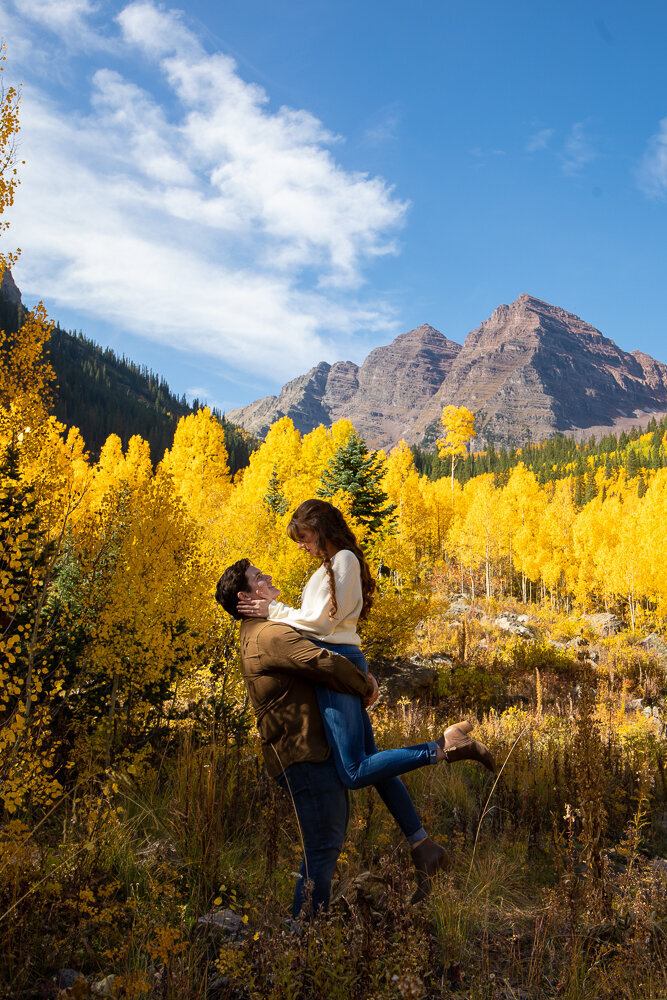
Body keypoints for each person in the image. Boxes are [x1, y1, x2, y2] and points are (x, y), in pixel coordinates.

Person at [215, 558, 450, 916]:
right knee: (323, 847)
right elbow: (324, 662)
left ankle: (307, 935)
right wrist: (366, 685)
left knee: (325, 844)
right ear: (247, 597)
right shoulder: (270, 635)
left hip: (299, 753)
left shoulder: (256, 634)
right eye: (258, 577)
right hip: (305, 756)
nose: (269, 575)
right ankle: (303, 939)